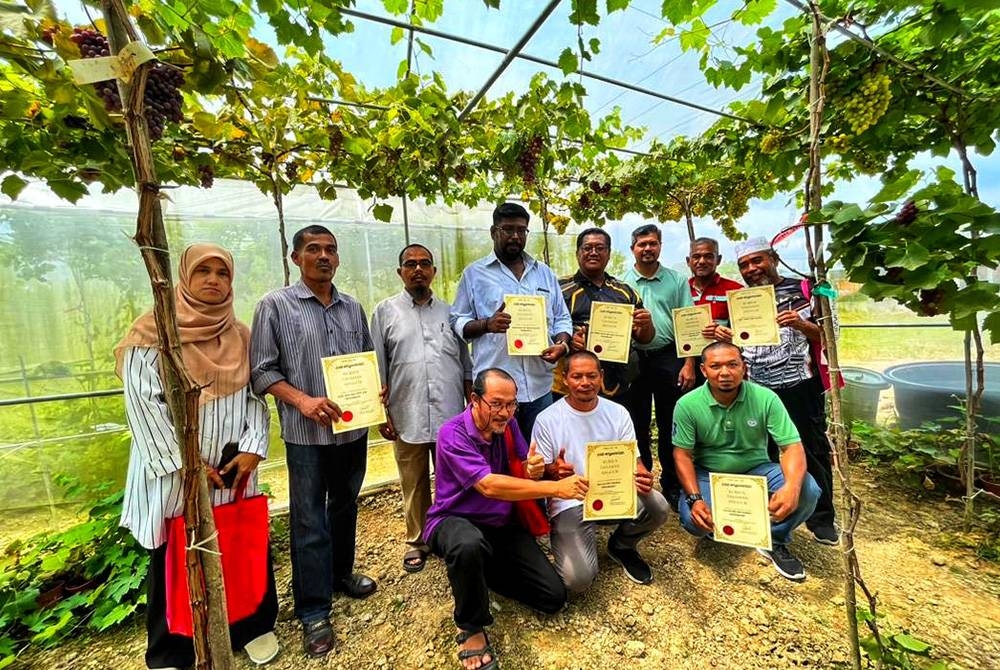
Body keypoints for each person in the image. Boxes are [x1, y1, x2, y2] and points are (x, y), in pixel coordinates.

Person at [117, 243, 278, 669]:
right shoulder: (153, 334)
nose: (212, 280)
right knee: (176, 553)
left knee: (241, 544)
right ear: (183, 279)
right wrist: (188, 468)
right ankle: (171, 647)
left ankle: (251, 628)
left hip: (233, 470)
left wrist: (252, 448)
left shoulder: (241, 335)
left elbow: (255, 399)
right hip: (177, 475)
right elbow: (142, 406)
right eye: (202, 271)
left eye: (221, 273)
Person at [250, 225, 376, 658]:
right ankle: (313, 610)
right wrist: (301, 400)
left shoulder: (352, 308)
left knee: (344, 505)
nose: (324, 256)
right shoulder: (274, 306)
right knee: (307, 519)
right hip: (306, 435)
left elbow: (365, 362)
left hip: (351, 430)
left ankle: (341, 574)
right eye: (314, 250)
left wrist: (373, 393)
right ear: (295, 257)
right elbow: (262, 372)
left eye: (331, 250)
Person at [424, 368, 589, 670]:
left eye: (511, 404)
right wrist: (554, 487)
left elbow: (523, 467)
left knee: (553, 598)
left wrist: (540, 469)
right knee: (467, 545)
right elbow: (489, 485)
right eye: (497, 404)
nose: (505, 412)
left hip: (500, 523)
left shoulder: (509, 426)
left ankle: (475, 573)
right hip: (454, 520)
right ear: (475, 399)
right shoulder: (452, 433)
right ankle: (470, 625)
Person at [673, 342, 822, 581]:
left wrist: (792, 487)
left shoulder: (766, 398)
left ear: (744, 366)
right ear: (703, 370)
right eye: (715, 366)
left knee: (808, 489)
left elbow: (791, 446)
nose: (725, 372)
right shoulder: (687, 405)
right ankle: (731, 524)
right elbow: (682, 455)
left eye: (732, 364)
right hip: (709, 474)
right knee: (695, 522)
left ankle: (774, 539)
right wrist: (695, 498)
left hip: (757, 470)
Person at [371, 243, 473, 574]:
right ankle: (416, 541)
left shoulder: (450, 313)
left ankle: (448, 536)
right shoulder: (384, 312)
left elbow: (465, 362)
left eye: (424, 263)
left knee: (452, 481)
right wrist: (380, 413)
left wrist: (471, 398)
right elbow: (377, 367)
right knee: (413, 482)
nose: (417, 269)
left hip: (449, 416)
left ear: (434, 271)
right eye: (410, 264)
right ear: (400, 271)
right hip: (407, 413)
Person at [532, 351, 669, 591]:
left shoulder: (618, 413)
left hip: (613, 494)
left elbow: (633, 460)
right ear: (565, 379)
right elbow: (539, 475)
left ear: (601, 376)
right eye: (577, 376)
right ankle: (567, 542)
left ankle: (622, 545)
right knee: (578, 581)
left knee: (657, 506)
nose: (585, 383)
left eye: (591, 376)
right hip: (570, 501)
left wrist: (641, 475)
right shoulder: (547, 419)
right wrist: (553, 470)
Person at [734, 237, 839, 546]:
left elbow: (832, 335)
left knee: (811, 446)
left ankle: (821, 518)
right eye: (744, 265)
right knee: (762, 451)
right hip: (756, 389)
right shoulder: (742, 300)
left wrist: (802, 326)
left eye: (758, 261)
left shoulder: (807, 290)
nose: (752, 269)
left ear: (774, 258)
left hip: (800, 385)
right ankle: (768, 511)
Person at [450, 202, 573, 439]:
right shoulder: (475, 274)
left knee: (540, 457)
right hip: (495, 393)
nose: (515, 236)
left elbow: (562, 318)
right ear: (494, 232)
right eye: (507, 229)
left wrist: (562, 344)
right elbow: (457, 320)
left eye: (521, 230)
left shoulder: (544, 273)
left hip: (539, 387)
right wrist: (487, 324)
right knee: (499, 460)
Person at [621, 223, 696, 507]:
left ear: (660, 246)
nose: (647, 249)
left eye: (652, 243)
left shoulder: (676, 281)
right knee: (636, 421)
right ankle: (643, 480)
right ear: (633, 249)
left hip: (669, 357)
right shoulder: (621, 281)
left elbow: (687, 323)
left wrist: (689, 363)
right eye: (642, 244)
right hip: (635, 359)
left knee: (670, 422)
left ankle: (673, 485)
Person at [554, 227, 654, 402]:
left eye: (600, 248)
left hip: (618, 384)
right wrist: (568, 340)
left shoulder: (625, 291)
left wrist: (646, 325)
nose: (593, 252)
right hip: (571, 385)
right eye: (587, 248)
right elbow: (545, 327)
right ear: (578, 253)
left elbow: (644, 338)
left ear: (609, 254)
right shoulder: (558, 288)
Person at [687, 236, 743, 339]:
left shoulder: (736, 290)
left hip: (724, 351)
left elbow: (746, 329)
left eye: (708, 256)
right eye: (696, 257)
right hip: (689, 353)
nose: (702, 261)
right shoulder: (680, 290)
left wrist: (725, 332)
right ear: (688, 261)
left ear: (718, 260)